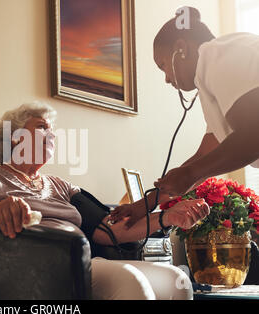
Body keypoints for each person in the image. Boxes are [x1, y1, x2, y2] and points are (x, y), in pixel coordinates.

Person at [0, 101, 210, 300]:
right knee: (131, 281)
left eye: (52, 130)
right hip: (33, 264)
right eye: (42, 127)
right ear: (15, 136)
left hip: (82, 259)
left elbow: (109, 231)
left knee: (176, 280)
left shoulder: (61, 185)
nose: (51, 134)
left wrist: (167, 217)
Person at [111, 7, 259, 227]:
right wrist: (144, 204)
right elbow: (204, 156)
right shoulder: (214, 76)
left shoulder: (218, 54)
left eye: (163, 66)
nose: (167, 80)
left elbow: (253, 136)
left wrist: (191, 173)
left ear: (181, 49)